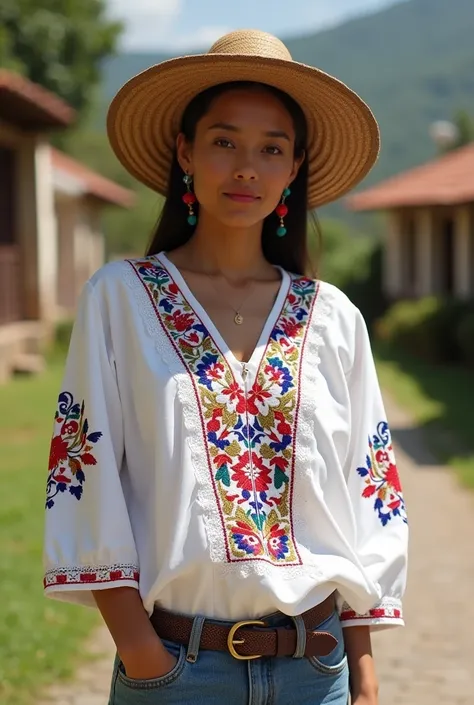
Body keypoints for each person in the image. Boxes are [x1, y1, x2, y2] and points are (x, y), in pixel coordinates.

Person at [43, 29, 408, 705]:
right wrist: (145, 655)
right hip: (177, 672)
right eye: (224, 140)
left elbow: (370, 498)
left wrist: (362, 669)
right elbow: (85, 480)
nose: (247, 166)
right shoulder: (120, 299)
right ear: (185, 151)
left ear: (294, 166)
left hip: (317, 670)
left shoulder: (332, 318)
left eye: (272, 147)